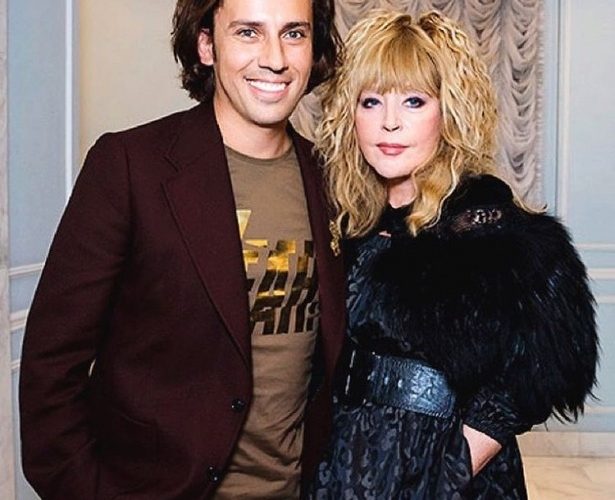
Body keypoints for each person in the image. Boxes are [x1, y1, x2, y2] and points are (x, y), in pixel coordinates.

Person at [19, 0, 345, 499]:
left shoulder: (333, 182)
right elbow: (51, 369)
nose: (275, 58)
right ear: (206, 45)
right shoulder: (130, 167)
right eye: (249, 32)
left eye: (294, 34)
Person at [309, 9, 598, 499]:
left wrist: (456, 466)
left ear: (449, 112)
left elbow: (547, 363)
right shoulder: (346, 222)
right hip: (343, 456)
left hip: (438, 463)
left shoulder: (489, 227)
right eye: (371, 101)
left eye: (414, 101)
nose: (390, 122)